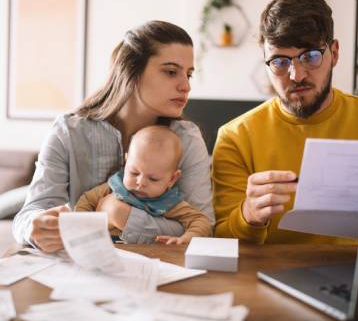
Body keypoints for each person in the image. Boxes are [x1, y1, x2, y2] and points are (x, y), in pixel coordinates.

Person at [212, 0, 358, 245]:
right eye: (279, 61)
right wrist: (248, 215)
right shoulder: (235, 137)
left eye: (310, 56)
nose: (296, 75)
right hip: (267, 278)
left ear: (335, 54)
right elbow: (221, 244)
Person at [13, 20, 214, 252]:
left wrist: (122, 215)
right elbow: (28, 214)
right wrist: (34, 228)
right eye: (171, 72)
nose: (185, 86)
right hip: (78, 272)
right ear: (132, 71)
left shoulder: (187, 138)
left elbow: (204, 226)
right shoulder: (68, 132)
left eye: (188, 75)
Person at [75, 125, 211, 245]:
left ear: (172, 179)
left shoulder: (169, 202)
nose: (140, 183)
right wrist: (81, 229)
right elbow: (86, 201)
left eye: (153, 179)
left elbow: (201, 221)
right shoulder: (114, 186)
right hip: (104, 249)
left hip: (146, 255)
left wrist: (186, 238)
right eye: (134, 173)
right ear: (126, 161)